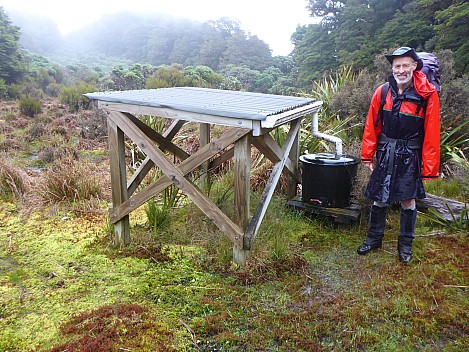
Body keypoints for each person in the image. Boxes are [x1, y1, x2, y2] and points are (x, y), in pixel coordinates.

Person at [357, 47, 440, 263]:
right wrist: (367, 155)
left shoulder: (426, 95)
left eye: (405, 65)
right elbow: (371, 125)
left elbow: (432, 133)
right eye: (397, 66)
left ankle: (405, 247)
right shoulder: (382, 91)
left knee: (407, 200)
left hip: (410, 154)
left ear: (414, 66)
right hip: (386, 152)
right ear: (392, 68)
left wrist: (429, 167)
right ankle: (374, 240)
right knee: (379, 198)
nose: (401, 70)